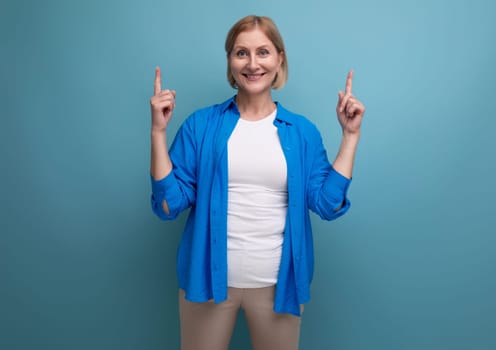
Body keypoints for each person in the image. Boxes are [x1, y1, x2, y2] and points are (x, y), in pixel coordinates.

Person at [149, 15, 365, 350]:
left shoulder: (302, 132)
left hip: (280, 287)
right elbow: (167, 205)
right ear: (230, 62)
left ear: (280, 59)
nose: (252, 64)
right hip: (206, 283)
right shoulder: (200, 125)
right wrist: (158, 133)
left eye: (263, 52)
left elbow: (327, 203)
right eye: (241, 53)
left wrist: (350, 137)